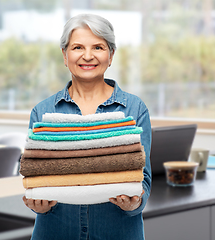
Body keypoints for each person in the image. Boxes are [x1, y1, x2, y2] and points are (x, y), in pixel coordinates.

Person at [22, 13, 152, 240]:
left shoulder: (134, 109)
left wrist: (134, 202)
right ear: (65, 55)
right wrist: (38, 206)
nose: (88, 56)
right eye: (78, 47)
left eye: (98, 47)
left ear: (111, 55)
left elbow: (144, 178)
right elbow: (35, 175)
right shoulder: (42, 113)